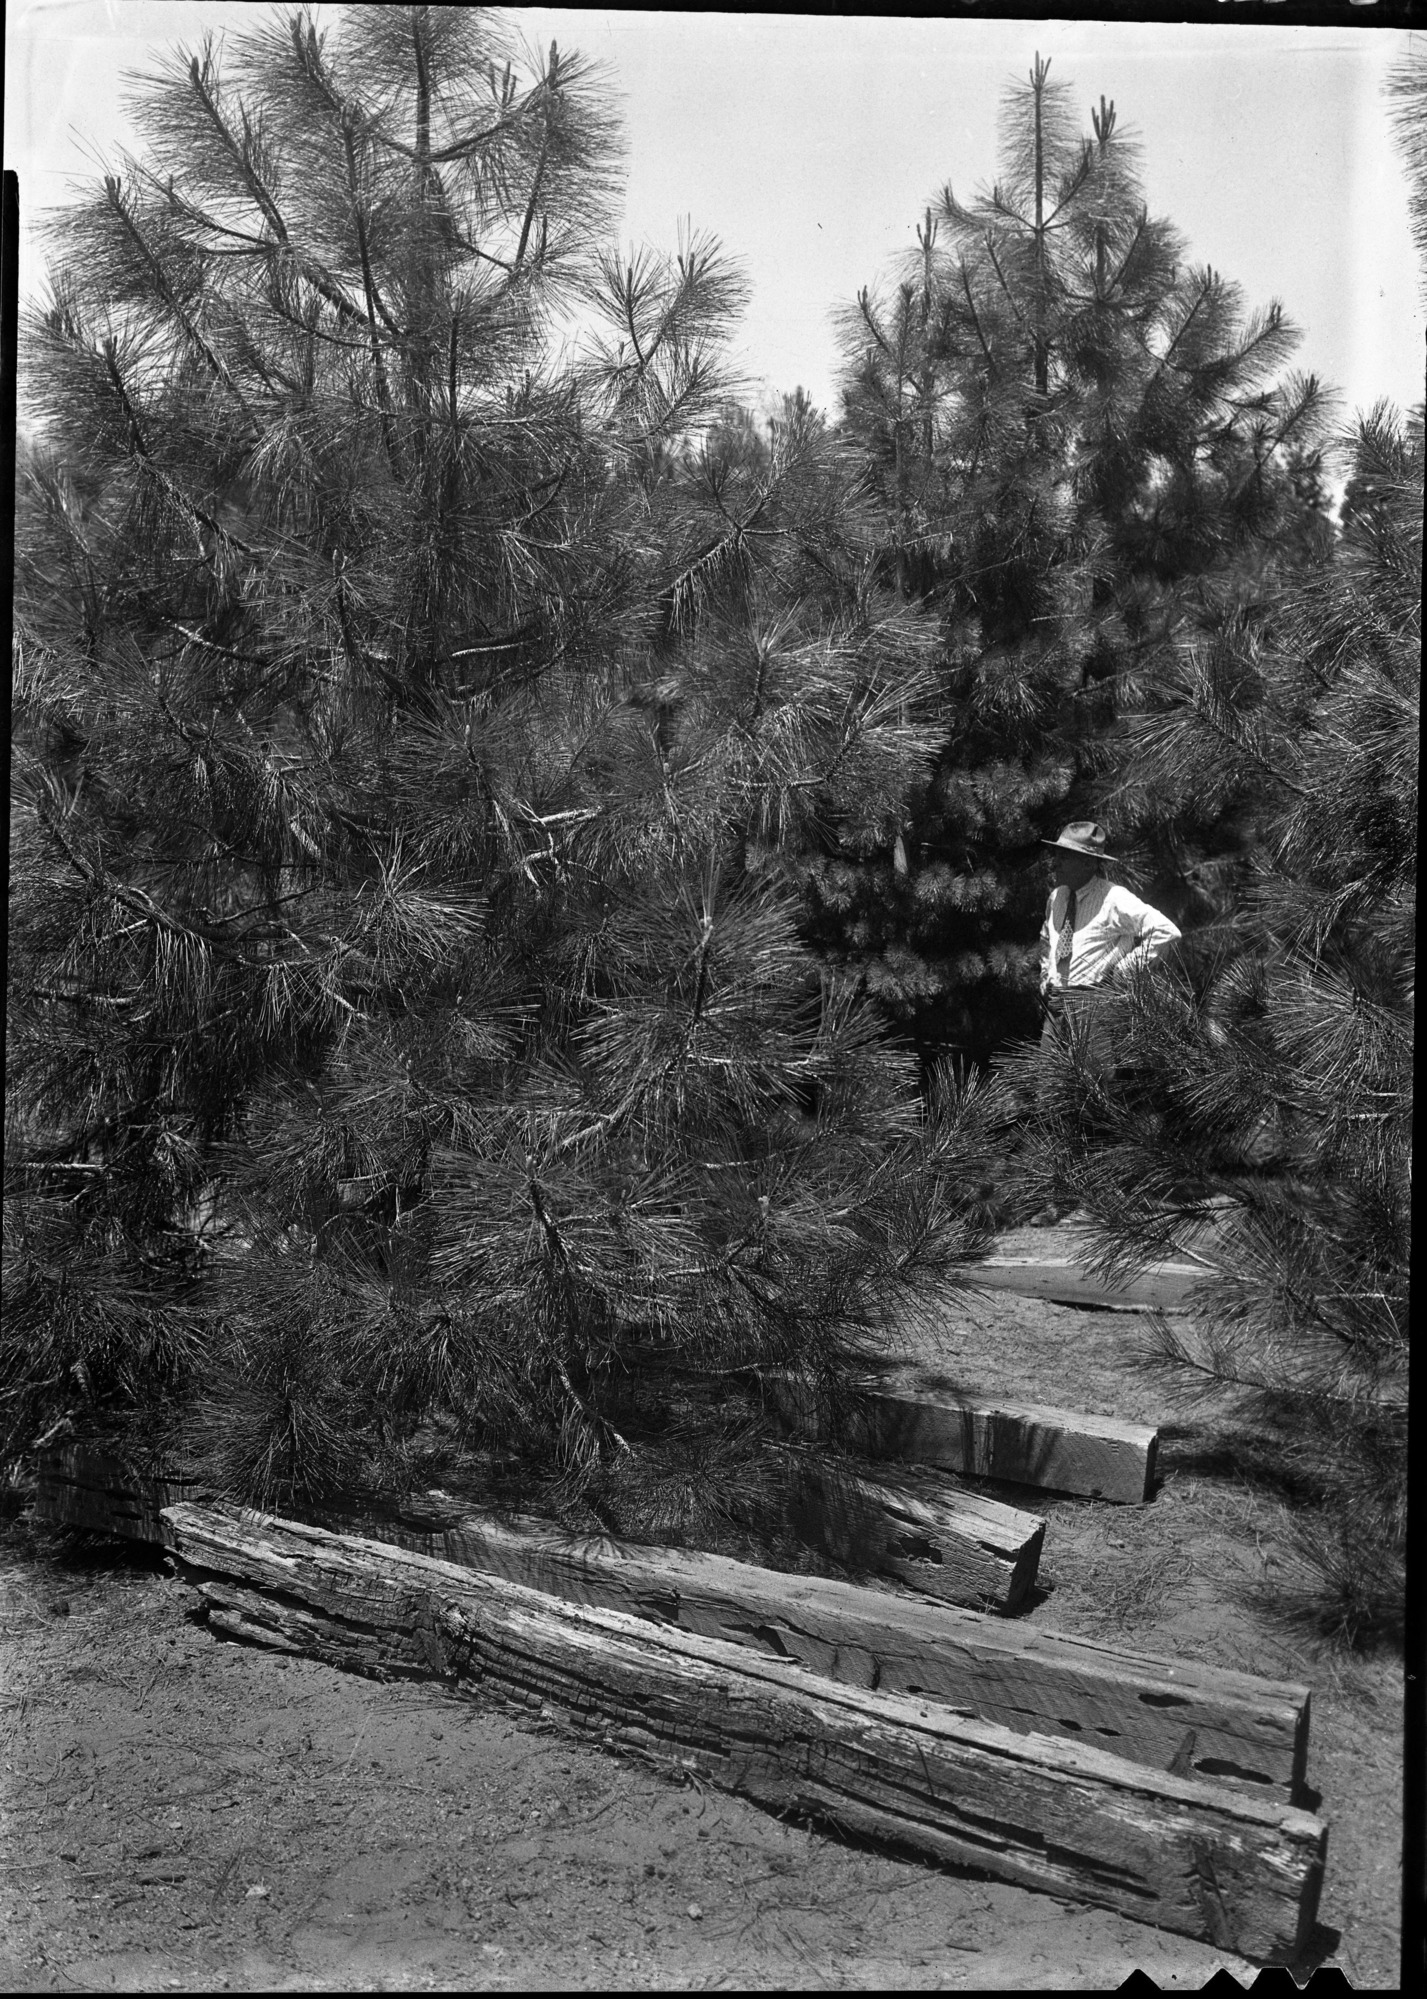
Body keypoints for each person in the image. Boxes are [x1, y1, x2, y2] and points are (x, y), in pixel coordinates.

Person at [1038, 821, 1181, 1084]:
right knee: (1048, 1092)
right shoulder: (1057, 896)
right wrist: (1046, 977)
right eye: (1057, 855)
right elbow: (1047, 939)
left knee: (1094, 1091)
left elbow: (1165, 930)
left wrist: (1125, 971)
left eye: (1065, 857)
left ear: (1089, 863)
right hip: (1055, 1005)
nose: (1055, 863)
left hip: (1090, 1006)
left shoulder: (1113, 898)